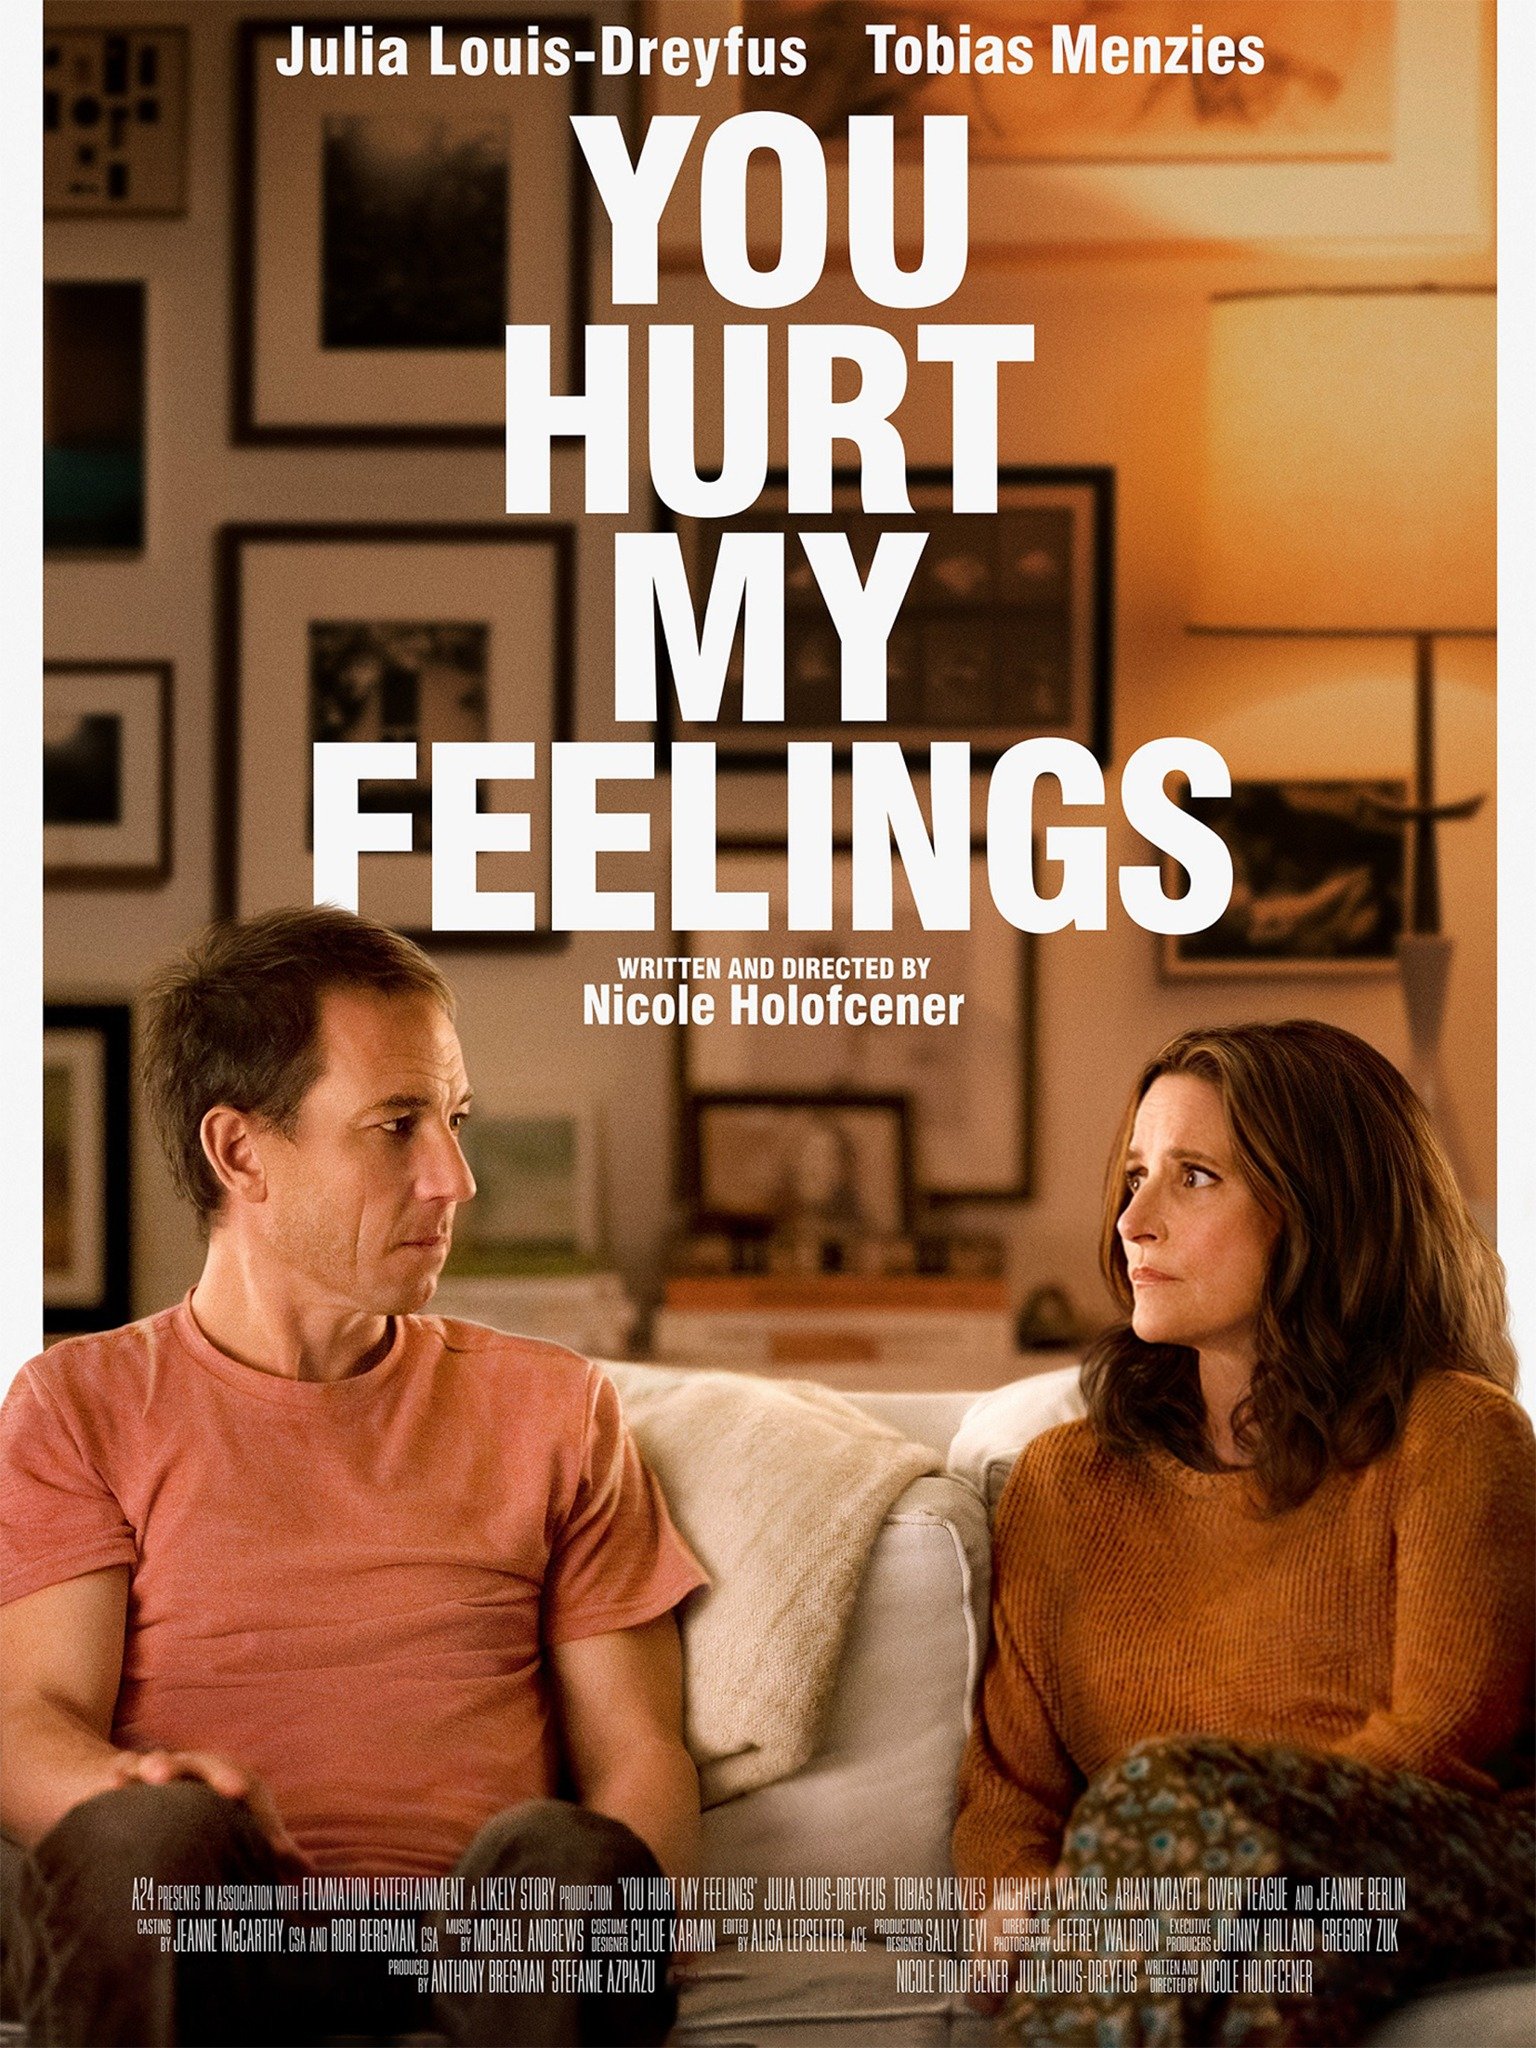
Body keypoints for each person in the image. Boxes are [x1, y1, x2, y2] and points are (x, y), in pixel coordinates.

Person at [0, 906, 707, 2048]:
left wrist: (628, 1910)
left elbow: (638, 1753)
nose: (455, 1178)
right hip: (206, 1917)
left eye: (454, 1121)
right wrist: (138, 1784)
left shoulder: (557, 1407)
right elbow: (28, 1720)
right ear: (240, 1152)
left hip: (478, 1938)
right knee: (138, 1838)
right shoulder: (78, 1403)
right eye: (397, 1125)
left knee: (572, 1859)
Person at [952, 1020, 1534, 2046]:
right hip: (1235, 1909)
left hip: (1453, 1854)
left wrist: (1181, 1839)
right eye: (1135, 1175)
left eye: (1195, 1177)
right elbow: (1012, 1790)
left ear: (1322, 1208)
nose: (1134, 1220)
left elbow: (1442, 1736)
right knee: (1270, 1955)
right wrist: (1014, 1892)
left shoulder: (1456, 1432)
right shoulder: (1065, 1483)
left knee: (1174, 1800)